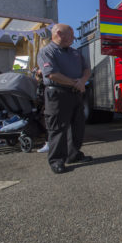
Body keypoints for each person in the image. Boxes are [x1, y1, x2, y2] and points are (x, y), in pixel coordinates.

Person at [37, 24, 92, 174]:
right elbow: (52, 74)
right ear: (59, 34)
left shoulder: (75, 53)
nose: (74, 38)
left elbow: (86, 69)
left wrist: (82, 81)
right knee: (58, 129)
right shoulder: (47, 52)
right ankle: (56, 160)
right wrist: (76, 82)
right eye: (71, 34)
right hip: (57, 94)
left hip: (75, 93)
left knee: (77, 126)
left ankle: (73, 155)